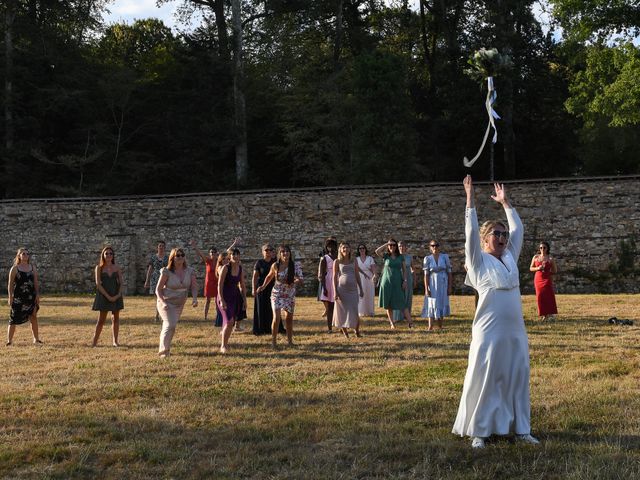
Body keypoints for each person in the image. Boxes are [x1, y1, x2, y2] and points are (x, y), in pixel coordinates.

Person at [453, 175, 539, 449]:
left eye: (503, 234)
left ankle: (521, 429)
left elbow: (519, 229)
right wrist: (470, 199)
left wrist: (505, 203)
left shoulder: (510, 258)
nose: (502, 238)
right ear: (485, 239)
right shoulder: (478, 262)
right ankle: (480, 431)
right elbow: (469, 233)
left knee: (517, 374)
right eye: (496, 234)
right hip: (488, 331)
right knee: (487, 375)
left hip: (515, 330)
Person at [256, 245, 303, 348]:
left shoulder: (295, 265)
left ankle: (290, 342)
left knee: (289, 319)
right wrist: (262, 286)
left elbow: (300, 279)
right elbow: (269, 276)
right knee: (276, 318)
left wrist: (295, 281)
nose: (285, 253)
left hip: (289, 295)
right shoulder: (275, 265)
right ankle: (274, 342)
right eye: (282, 252)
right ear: (279, 254)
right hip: (276, 294)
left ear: (290, 253)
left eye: (287, 251)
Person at [156, 247, 198, 358]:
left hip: (180, 303)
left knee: (171, 326)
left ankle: (166, 348)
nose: (180, 257)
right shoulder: (167, 271)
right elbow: (158, 289)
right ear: (172, 258)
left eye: (182, 255)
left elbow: (194, 287)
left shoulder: (190, 271)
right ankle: (163, 351)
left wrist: (194, 298)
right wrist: (163, 302)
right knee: (170, 324)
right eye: (177, 255)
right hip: (166, 301)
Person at [7, 248, 42, 346]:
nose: (26, 255)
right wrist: (10, 297)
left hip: (31, 297)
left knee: (33, 317)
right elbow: (10, 284)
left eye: (27, 254)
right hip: (18, 297)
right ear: (19, 256)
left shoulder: (32, 267)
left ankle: (36, 339)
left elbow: (35, 282)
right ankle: (9, 341)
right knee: (13, 318)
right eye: (23, 253)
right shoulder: (15, 268)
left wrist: (37, 295)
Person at [375, 239, 413, 329]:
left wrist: (405, 281)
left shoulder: (400, 257)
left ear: (396, 247)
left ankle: (410, 322)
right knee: (388, 304)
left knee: (402, 302)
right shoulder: (386, 256)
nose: (392, 247)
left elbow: (404, 270)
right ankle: (392, 323)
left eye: (394, 245)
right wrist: (386, 244)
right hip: (386, 281)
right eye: (390, 245)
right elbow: (377, 251)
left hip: (398, 281)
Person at [91, 246, 125, 347]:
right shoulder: (99, 268)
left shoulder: (117, 267)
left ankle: (115, 341)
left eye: (111, 253)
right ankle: (94, 342)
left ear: (113, 255)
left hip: (116, 294)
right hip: (104, 295)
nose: (109, 255)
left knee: (116, 318)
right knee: (101, 320)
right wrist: (108, 297)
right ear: (103, 255)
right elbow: (98, 284)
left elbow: (121, 283)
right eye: (107, 253)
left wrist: (118, 295)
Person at [217, 248, 247, 353]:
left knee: (231, 322)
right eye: (233, 254)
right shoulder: (225, 268)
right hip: (224, 297)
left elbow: (242, 285)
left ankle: (225, 342)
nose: (235, 256)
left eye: (237, 254)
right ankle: (223, 346)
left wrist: (245, 300)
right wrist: (221, 299)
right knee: (229, 322)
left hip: (235, 297)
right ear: (230, 256)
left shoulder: (240, 269)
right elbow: (219, 285)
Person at [332, 243, 364, 337]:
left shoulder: (354, 260)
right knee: (342, 311)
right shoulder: (337, 261)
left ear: (350, 249)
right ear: (340, 250)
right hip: (342, 290)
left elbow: (357, 275)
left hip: (353, 290)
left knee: (354, 310)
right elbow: (334, 277)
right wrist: (335, 291)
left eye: (347, 247)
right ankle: (345, 333)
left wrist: (361, 288)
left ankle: (357, 331)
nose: (345, 249)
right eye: (343, 248)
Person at [421, 240, 453, 330]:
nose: (435, 247)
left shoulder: (444, 257)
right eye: (433, 246)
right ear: (430, 247)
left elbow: (449, 272)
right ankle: (430, 326)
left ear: (439, 247)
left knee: (442, 301)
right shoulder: (427, 258)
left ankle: (440, 325)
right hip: (432, 283)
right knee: (432, 302)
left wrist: (450, 286)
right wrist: (427, 289)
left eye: (436, 245)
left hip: (443, 282)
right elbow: (426, 275)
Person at [252, 244, 280, 335]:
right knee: (261, 307)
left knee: (273, 308)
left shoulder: (275, 262)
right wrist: (254, 288)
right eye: (266, 250)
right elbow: (255, 277)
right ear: (262, 252)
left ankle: (272, 328)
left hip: (273, 287)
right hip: (261, 288)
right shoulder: (259, 263)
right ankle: (261, 328)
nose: (268, 252)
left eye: (270, 250)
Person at [190, 240, 218, 321]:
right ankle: (205, 317)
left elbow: (227, 252)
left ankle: (218, 317)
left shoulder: (219, 261)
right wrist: (194, 246)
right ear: (209, 253)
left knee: (217, 301)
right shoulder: (207, 261)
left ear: (216, 253)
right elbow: (200, 253)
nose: (212, 254)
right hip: (209, 283)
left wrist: (234, 244)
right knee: (208, 300)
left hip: (216, 283)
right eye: (211, 252)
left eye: (214, 252)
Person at [529, 241, 558, 321]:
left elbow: (555, 271)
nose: (542, 249)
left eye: (544, 247)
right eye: (541, 248)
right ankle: (543, 314)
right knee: (540, 296)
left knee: (549, 295)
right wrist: (538, 268)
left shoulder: (550, 258)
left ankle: (550, 313)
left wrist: (548, 273)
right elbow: (531, 268)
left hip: (547, 279)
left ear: (547, 248)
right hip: (538, 279)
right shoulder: (535, 257)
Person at [144, 240, 168, 322]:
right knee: (158, 298)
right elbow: (150, 269)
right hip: (155, 278)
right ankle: (157, 315)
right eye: (159, 246)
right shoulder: (153, 257)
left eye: (162, 246)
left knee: (163, 297)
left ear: (164, 247)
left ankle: (161, 315)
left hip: (164, 278)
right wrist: (147, 281)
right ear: (157, 247)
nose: (161, 247)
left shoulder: (167, 258)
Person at [318, 237, 338, 333]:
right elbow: (321, 274)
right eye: (329, 246)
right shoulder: (324, 258)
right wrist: (324, 287)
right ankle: (329, 328)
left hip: (339, 279)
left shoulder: (339, 257)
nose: (331, 247)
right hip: (329, 281)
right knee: (330, 306)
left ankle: (340, 324)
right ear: (326, 247)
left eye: (333, 245)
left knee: (339, 305)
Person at [392, 241, 415, 322]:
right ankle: (398, 316)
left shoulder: (409, 257)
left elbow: (413, 269)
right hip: (398, 277)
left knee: (407, 296)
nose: (401, 248)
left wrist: (414, 279)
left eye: (403, 246)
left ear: (405, 247)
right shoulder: (395, 256)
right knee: (398, 295)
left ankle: (407, 315)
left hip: (408, 277)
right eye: (399, 246)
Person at [356, 244, 377, 317]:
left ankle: (370, 311)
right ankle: (361, 311)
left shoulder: (370, 258)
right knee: (360, 294)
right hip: (360, 277)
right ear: (358, 250)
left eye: (363, 248)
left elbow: (373, 267)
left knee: (369, 293)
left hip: (369, 277)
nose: (362, 249)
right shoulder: (356, 259)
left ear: (365, 249)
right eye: (360, 248)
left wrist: (375, 275)